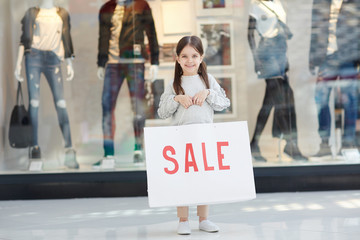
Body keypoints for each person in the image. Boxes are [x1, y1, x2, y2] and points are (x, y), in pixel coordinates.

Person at [157, 36, 230, 235]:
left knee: (204, 177)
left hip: (205, 138)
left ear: (201, 57)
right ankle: (183, 219)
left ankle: (204, 218)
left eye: (194, 56)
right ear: (178, 59)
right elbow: (162, 111)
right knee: (184, 179)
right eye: (185, 56)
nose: (190, 60)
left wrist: (207, 93)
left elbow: (224, 103)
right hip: (181, 139)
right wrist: (176, 98)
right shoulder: (174, 84)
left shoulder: (208, 81)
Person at [14, 0, 78, 169]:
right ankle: (34, 149)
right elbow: (24, 40)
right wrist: (18, 64)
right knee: (34, 103)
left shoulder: (61, 13)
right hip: (33, 56)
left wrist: (70, 62)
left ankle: (69, 149)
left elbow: (66, 37)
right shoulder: (32, 13)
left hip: (54, 58)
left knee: (61, 102)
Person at [95, 0, 159, 166]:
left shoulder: (140, 5)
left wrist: (155, 61)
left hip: (135, 62)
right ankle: (108, 154)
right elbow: (103, 37)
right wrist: (101, 63)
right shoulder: (107, 8)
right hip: (113, 64)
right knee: (107, 107)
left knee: (137, 106)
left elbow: (151, 33)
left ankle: (138, 149)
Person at [248, 0, 307, 162]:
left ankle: (254, 144)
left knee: (272, 102)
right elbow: (249, 34)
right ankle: (290, 144)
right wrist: (256, 60)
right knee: (282, 99)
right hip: (267, 53)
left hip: (280, 52)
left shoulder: (280, 4)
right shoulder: (257, 6)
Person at [309, 0, 360, 155]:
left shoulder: (354, 2)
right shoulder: (320, 2)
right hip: (327, 57)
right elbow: (315, 31)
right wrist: (312, 60)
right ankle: (324, 144)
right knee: (321, 100)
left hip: (348, 58)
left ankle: (348, 144)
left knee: (350, 101)